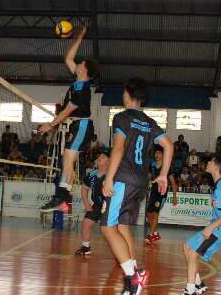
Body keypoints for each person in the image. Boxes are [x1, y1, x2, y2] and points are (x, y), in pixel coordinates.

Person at [100, 78, 174, 295]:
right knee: (122, 227)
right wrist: (163, 175)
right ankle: (134, 274)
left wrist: (109, 177)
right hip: (141, 182)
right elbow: (168, 145)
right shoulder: (150, 122)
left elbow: (119, 148)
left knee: (106, 228)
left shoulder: (122, 118)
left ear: (126, 95)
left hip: (123, 178)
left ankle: (133, 276)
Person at [39, 27, 99, 212]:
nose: (77, 64)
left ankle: (62, 197)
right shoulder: (78, 81)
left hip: (81, 125)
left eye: (81, 64)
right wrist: (79, 37)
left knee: (67, 162)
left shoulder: (82, 89)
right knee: (67, 161)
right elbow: (68, 58)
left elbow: (67, 111)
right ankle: (64, 197)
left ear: (84, 70)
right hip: (75, 126)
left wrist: (50, 125)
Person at [182, 156, 221, 295]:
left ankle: (190, 289)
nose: (207, 163)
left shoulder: (220, 187)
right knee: (186, 246)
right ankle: (198, 284)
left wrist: (211, 227)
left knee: (193, 253)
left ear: (215, 167)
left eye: (210, 162)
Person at [75, 148, 110, 256]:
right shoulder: (91, 174)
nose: (99, 158)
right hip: (97, 205)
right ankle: (86, 247)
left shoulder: (113, 175)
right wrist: (86, 203)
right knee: (86, 224)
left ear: (109, 161)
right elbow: (84, 188)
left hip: (110, 205)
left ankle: (120, 254)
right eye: (99, 156)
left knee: (109, 231)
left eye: (103, 157)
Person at [145, 145, 178, 244]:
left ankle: (150, 235)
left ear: (164, 155)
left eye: (159, 153)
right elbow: (150, 178)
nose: (157, 155)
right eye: (156, 153)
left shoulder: (167, 167)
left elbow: (173, 183)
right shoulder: (152, 165)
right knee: (149, 214)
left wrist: (175, 197)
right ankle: (155, 233)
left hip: (162, 193)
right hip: (153, 192)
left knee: (155, 213)